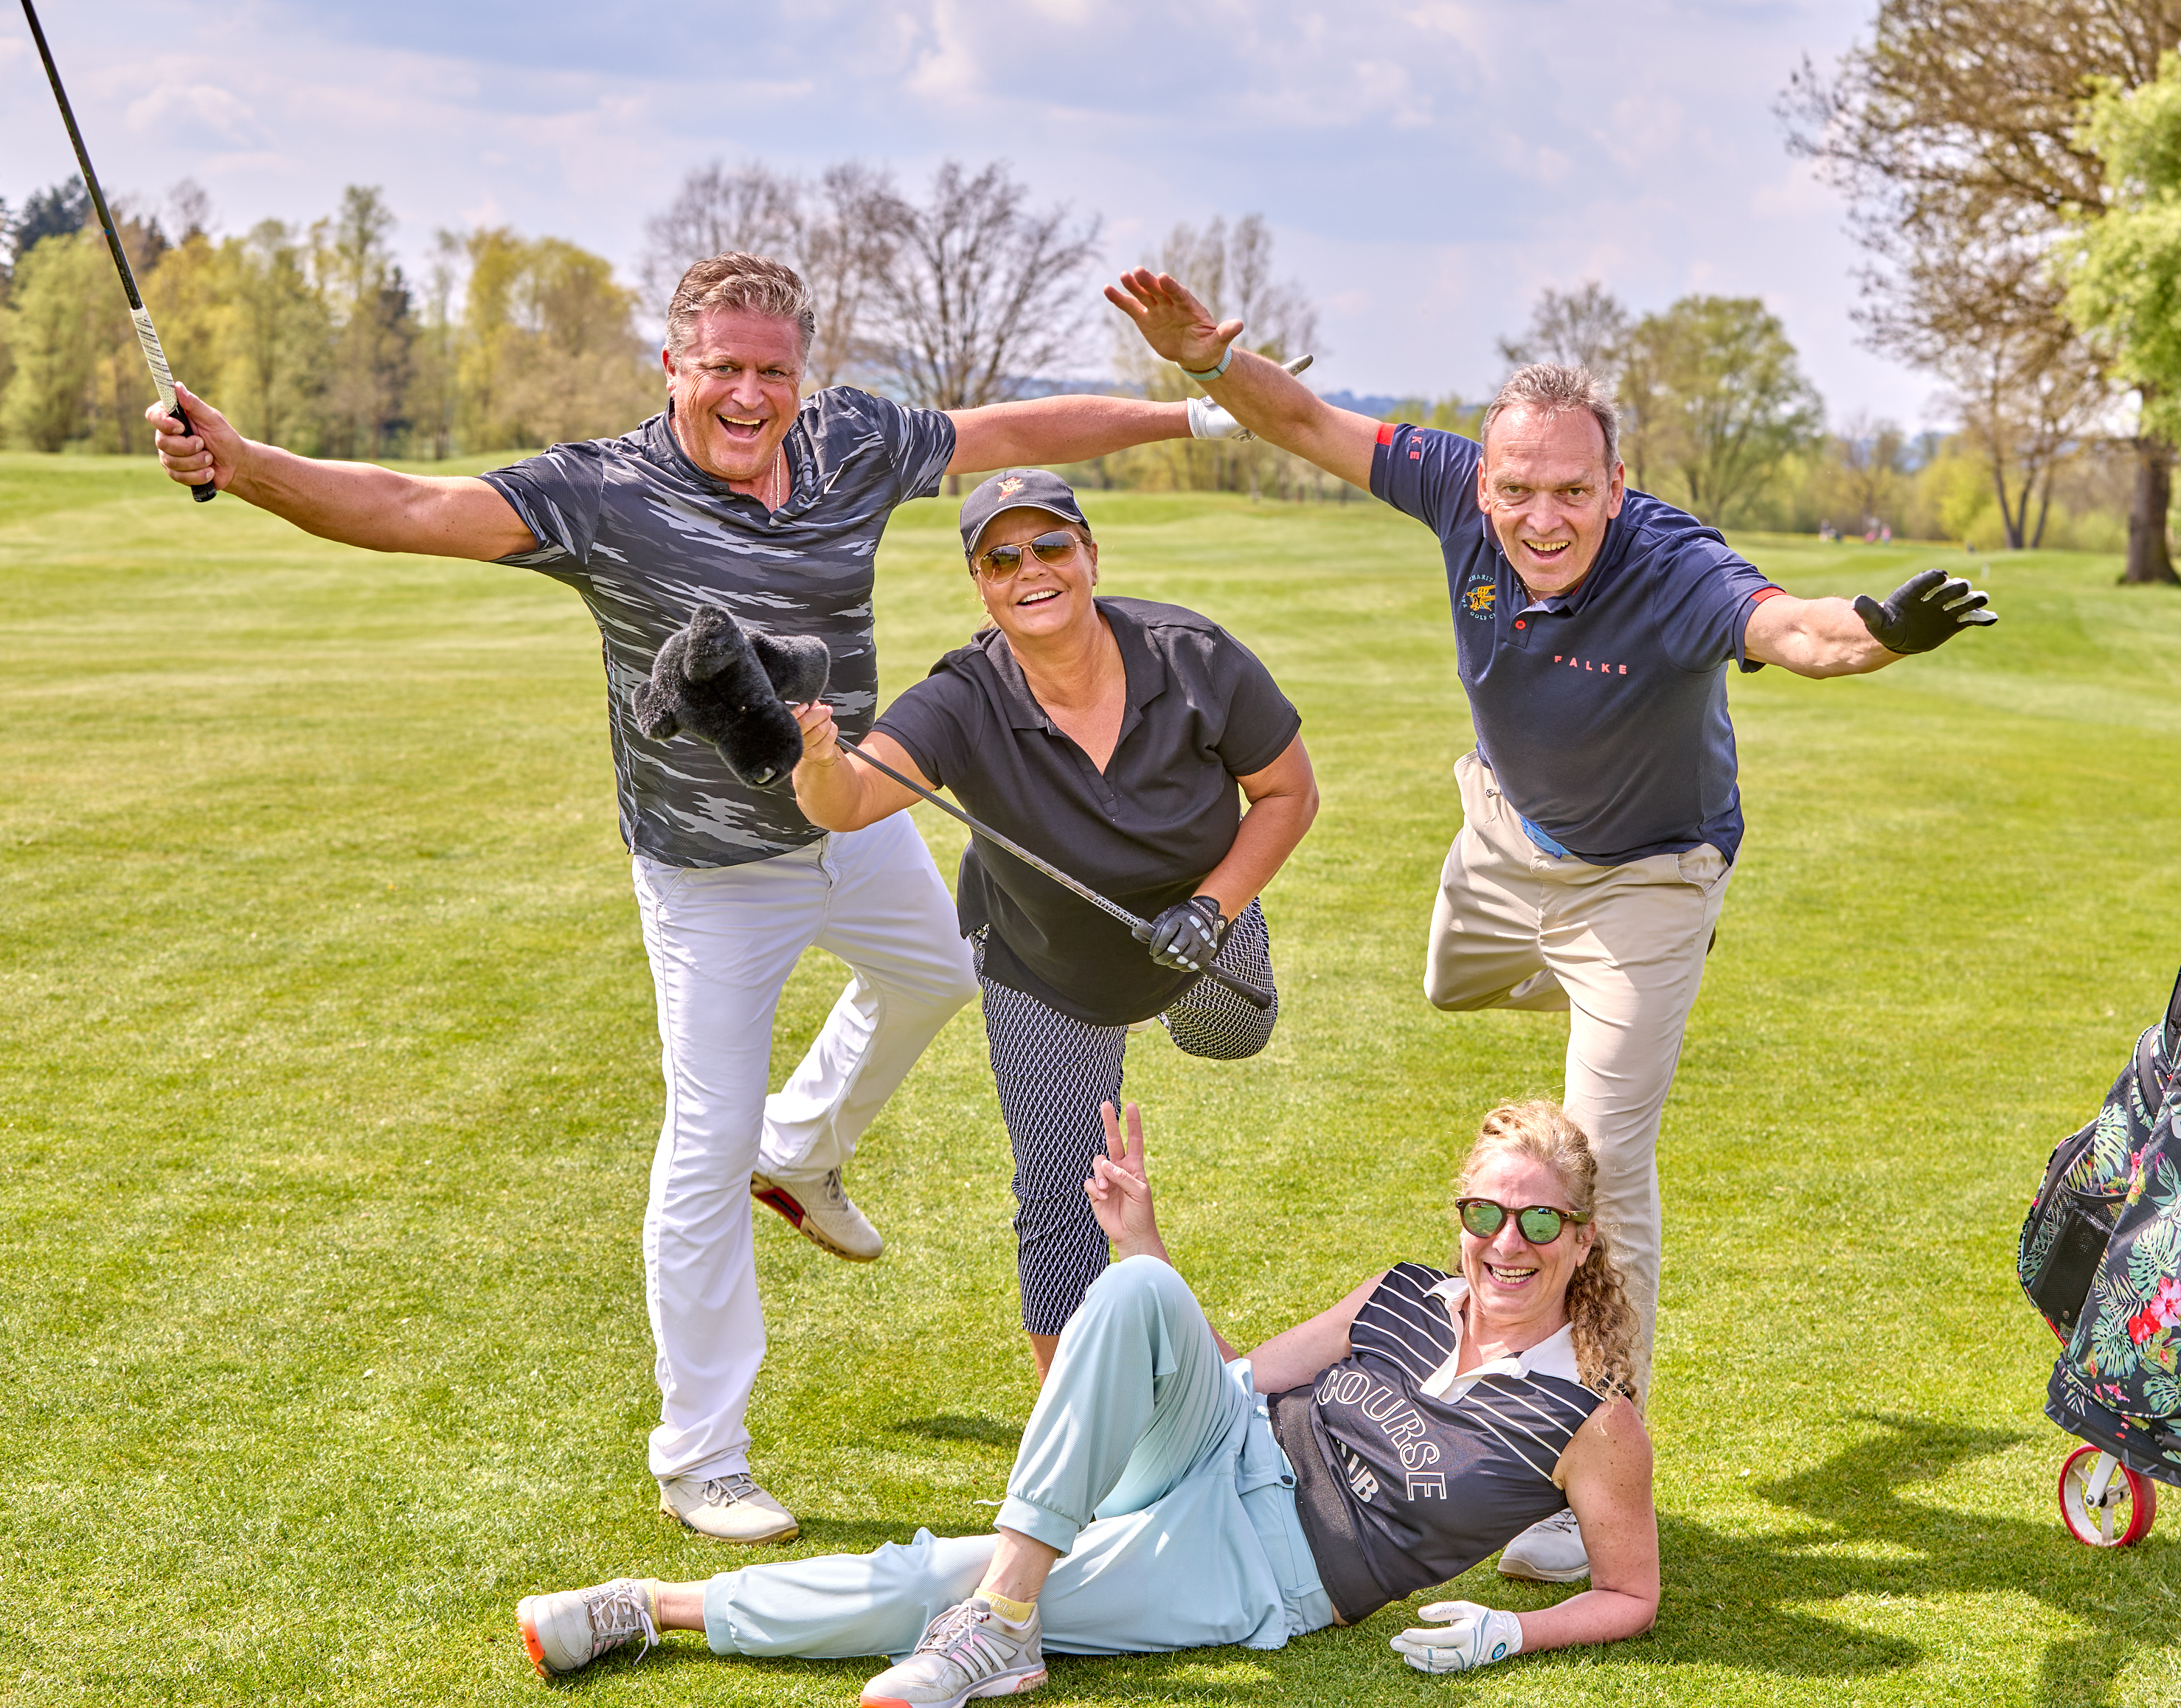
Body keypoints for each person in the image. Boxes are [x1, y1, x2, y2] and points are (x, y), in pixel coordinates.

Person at [147, 253, 1242, 1544]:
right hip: (710, 871)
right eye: (720, 364)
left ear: (803, 375)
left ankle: (809, 1141)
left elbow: (1008, 431)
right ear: (673, 367)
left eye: (772, 368)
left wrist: (1196, 407)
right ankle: (702, 1452)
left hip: (856, 812)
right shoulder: (604, 493)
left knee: (949, 967)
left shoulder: (848, 443)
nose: (747, 390)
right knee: (705, 1145)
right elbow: (408, 503)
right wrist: (245, 461)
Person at [1107, 268, 1996, 1580]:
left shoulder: (1675, 566)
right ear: (1483, 482)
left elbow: (1794, 632)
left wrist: (1878, 632)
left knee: (1600, 1165)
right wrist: (1205, 363)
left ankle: (1571, 1469)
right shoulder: (1456, 489)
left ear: (1616, 485)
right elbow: (1303, 422)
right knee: (1445, 986)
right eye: (1518, 489)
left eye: (1572, 491)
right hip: (1506, 845)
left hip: (1646, 876)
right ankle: (1624, 999)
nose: (1541, 514)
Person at [513, 1097, 1658, 1700]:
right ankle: (1006, 1622)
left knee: (934, 1579)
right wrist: (1145, 1245)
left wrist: (1511, 1629)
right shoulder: (1400, 1293)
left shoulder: (1592, 1417)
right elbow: (1233, 1375)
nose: (1506, 1243)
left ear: (1582, 1234)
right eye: (1484, 1213)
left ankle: (650, 1604)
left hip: (1272, 1570)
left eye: (1539, 1220)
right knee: (1138, 1288)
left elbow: (1630, 1592)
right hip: (1222, 1448)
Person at [786, 467, 1319, 1375]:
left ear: (1089, 555)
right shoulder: (961, 697)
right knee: (1062, 1191)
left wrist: (1212, 908)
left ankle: (1203, 960)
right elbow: (849, 800)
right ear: (981, 584)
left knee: (1234, 1032)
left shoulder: (1193, 656)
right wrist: (816, 754)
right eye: (1000, 557)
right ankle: (1069, 1440)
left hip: (1196, 931)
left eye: (1048, 545)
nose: (1028, 568)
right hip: (1045, 967)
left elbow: (1287, 792)